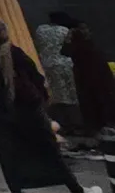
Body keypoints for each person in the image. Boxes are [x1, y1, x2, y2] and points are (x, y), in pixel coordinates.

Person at [0, 17, 99, 193]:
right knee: (47, 149)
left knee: (9, 153)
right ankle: (78, 192)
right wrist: (42, 100)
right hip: (26, 110)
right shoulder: (14, 53)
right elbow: (35, 78)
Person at [60, 12, 115, 145]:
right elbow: (66, 52)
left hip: (97, 79)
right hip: (91, 80)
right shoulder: (81, 43)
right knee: (103, 108)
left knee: (111, 107)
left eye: (85, 29)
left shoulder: (87, 44)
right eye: (82, 29)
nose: (85, 31)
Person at [34, 13, 84, 141]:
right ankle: (72, 124)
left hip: (45, 65)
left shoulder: (40, 29)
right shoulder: (64, 30)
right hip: (64, 66)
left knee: (53, 94)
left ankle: (56, 123)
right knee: (70, 95)